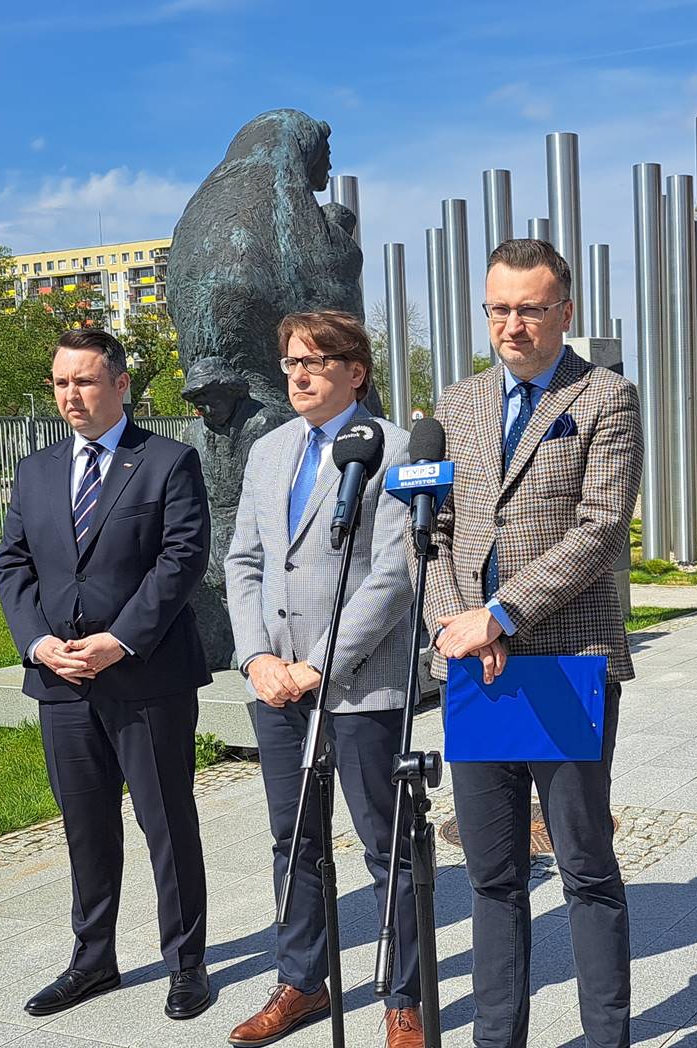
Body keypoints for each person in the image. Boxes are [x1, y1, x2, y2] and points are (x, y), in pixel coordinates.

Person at [425, 238, 642, 1048]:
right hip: (473, 668)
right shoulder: (455, 404)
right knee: (491, 875)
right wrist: (457, 623)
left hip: (565, 664)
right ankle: (496, 1038)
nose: (512, 325)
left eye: (529, 308)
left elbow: (599, 530)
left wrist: (502, 614)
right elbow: (432, 534)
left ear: (565, 312)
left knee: (585, 868)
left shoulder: (605, 398)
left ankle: (606, 1037)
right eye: (499, 309)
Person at [0, 328, 214, 1021]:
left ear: (121, 383)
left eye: (84, 381)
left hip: (146, 679)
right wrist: (36, 644)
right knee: (85, 826)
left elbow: (181, 561)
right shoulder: (35, 471)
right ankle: (93, 961)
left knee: (166, 826)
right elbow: (14, 565)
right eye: (61, 383)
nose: (70, 396)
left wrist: (120, 641)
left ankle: (187, 965)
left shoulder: (169, 462)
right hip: (61, 683)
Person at [222, 311, 423, 1048]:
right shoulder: (269, 451)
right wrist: (256, 659)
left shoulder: (397, 449)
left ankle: (405, 999)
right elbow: (243, 562)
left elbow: (395, 575)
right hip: (276, 685)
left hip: (361, 685)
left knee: (387, 842)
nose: (297, 374)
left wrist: (320, 663)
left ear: (355, 371)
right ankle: (302, 982)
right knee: (293, 836)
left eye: (313, 361)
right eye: (289, 362)